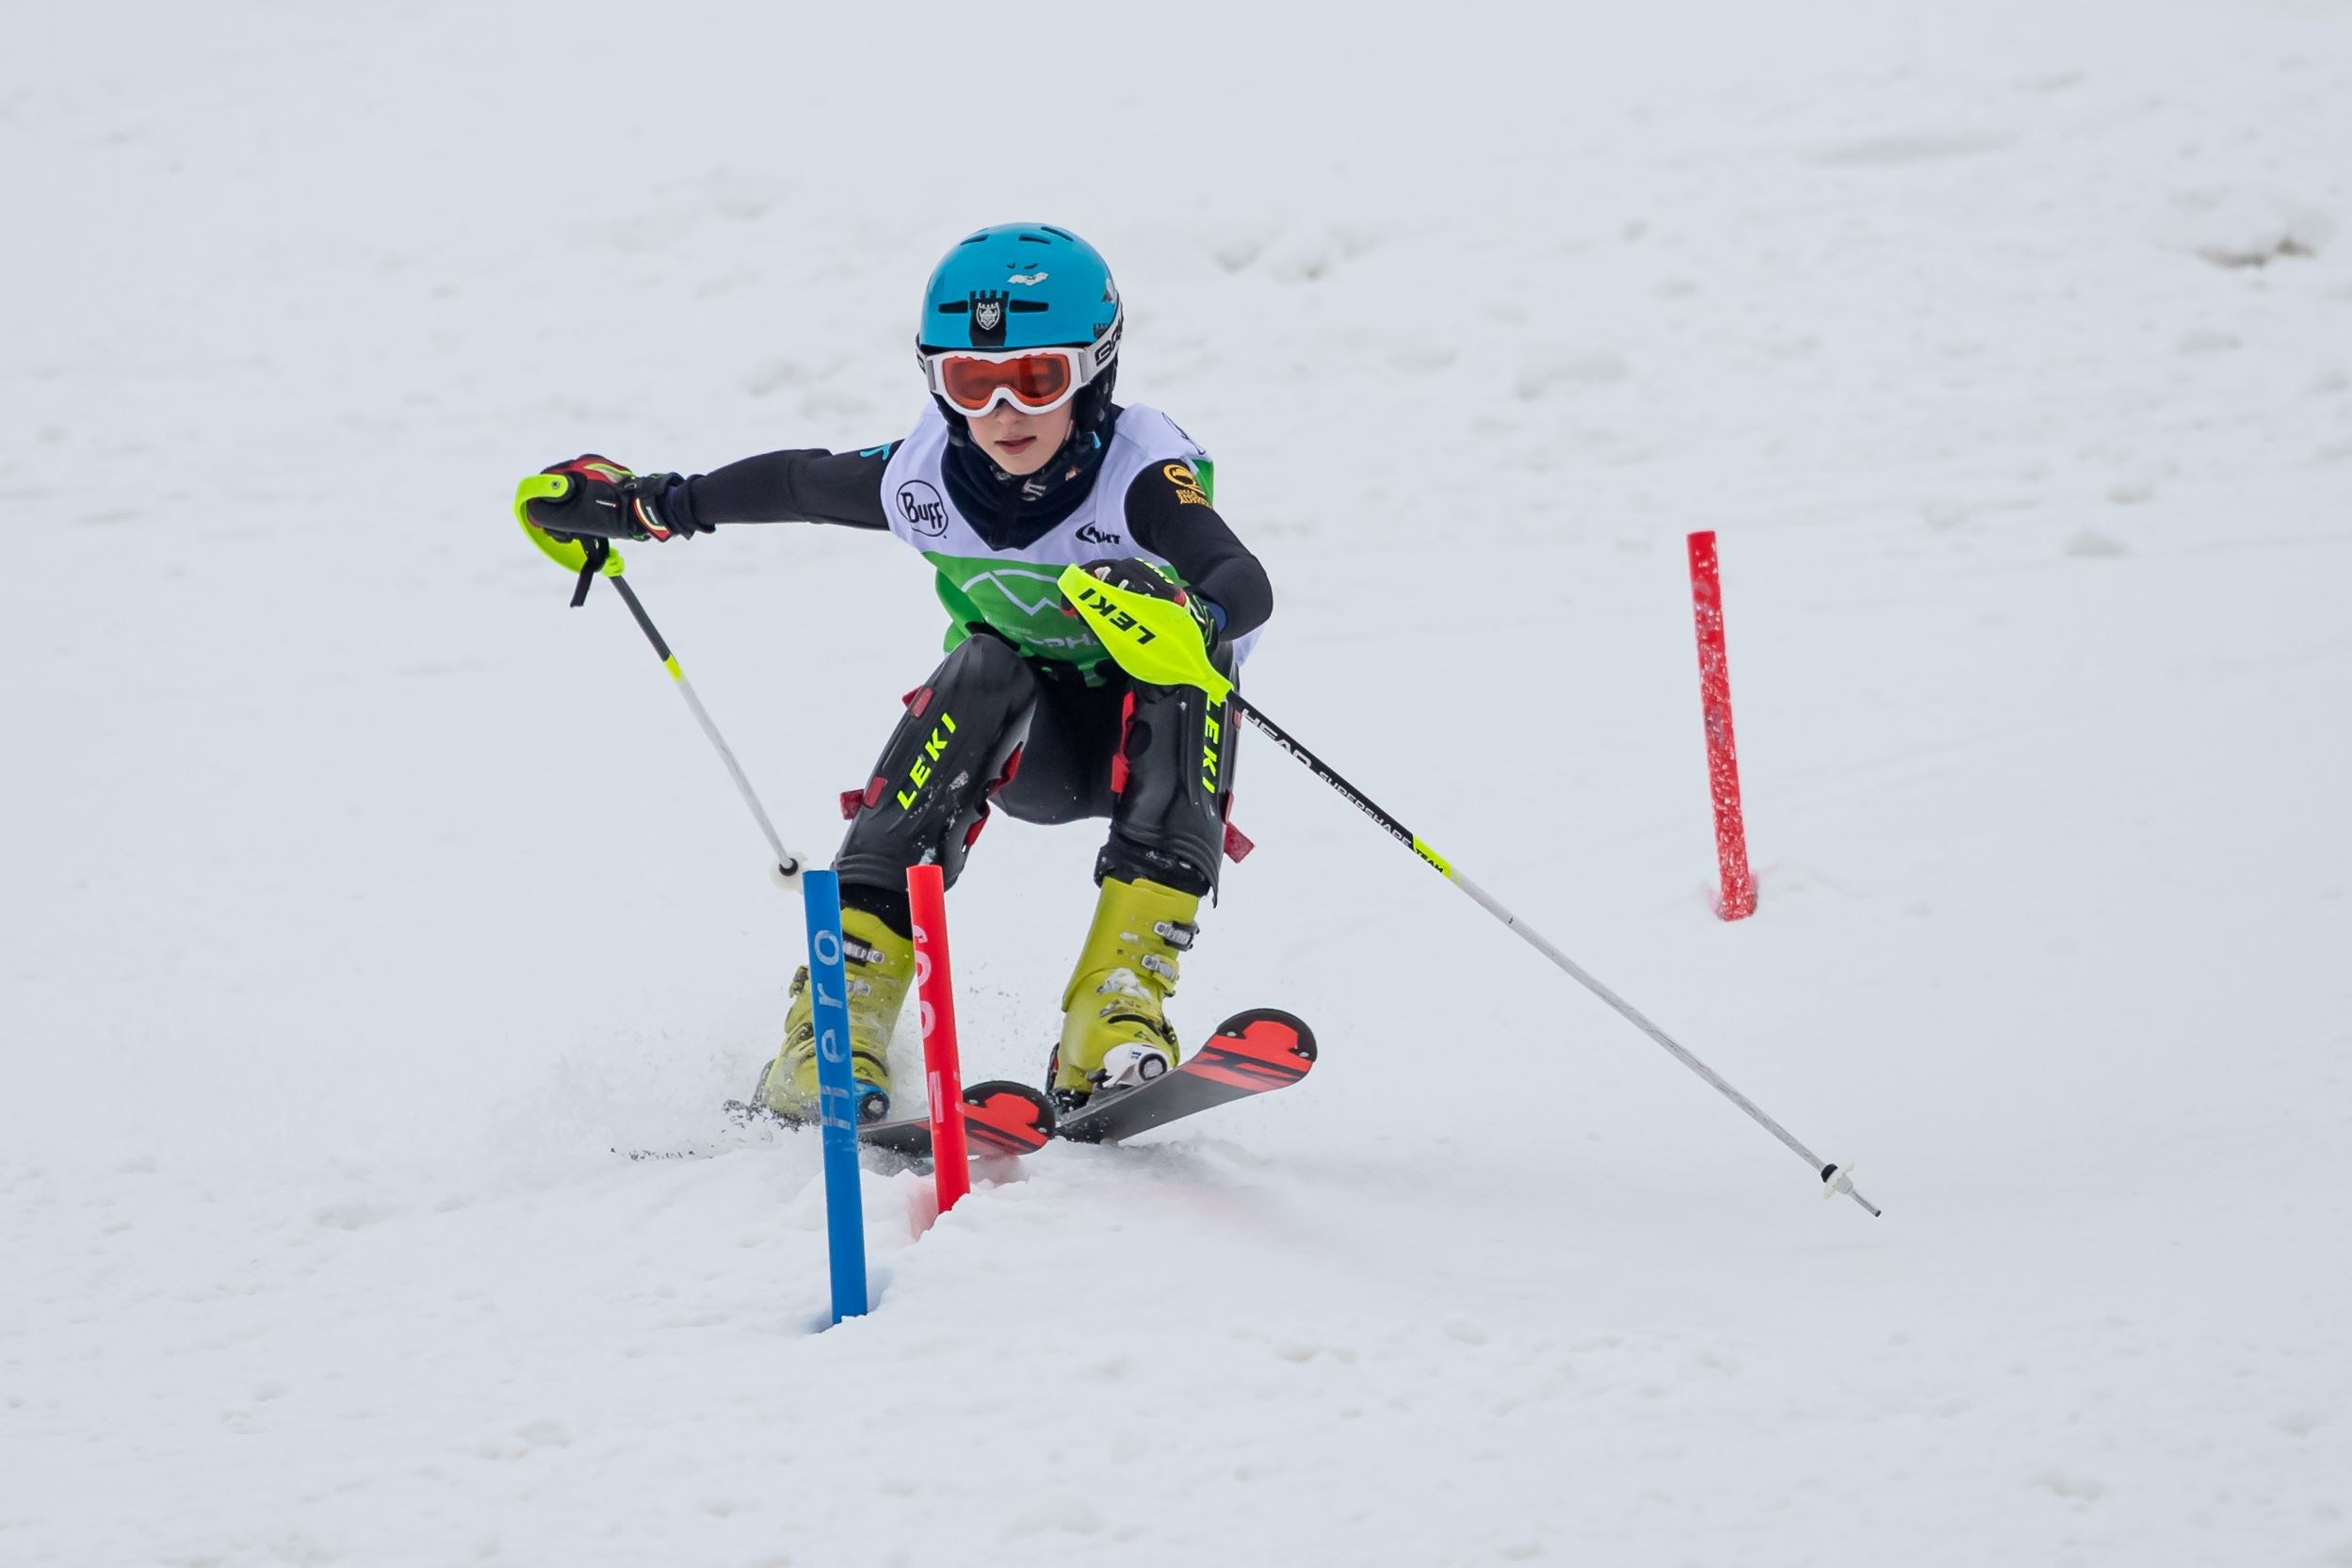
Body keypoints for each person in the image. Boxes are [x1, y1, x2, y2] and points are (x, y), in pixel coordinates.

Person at [516, 223, 1273, 1121]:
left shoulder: (1140, 473)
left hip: (1147, 752)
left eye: (1037, 379)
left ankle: (1111, 1015)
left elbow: (1241, 579)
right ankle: (835, 1025)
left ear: (1094, 371)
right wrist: (650, 504)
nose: (1004, 412)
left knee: (1200, 665)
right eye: (970, 382)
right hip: (1023, 747)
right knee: (983, 662)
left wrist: (1196, 614)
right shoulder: (927, 479)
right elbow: (796, 483)